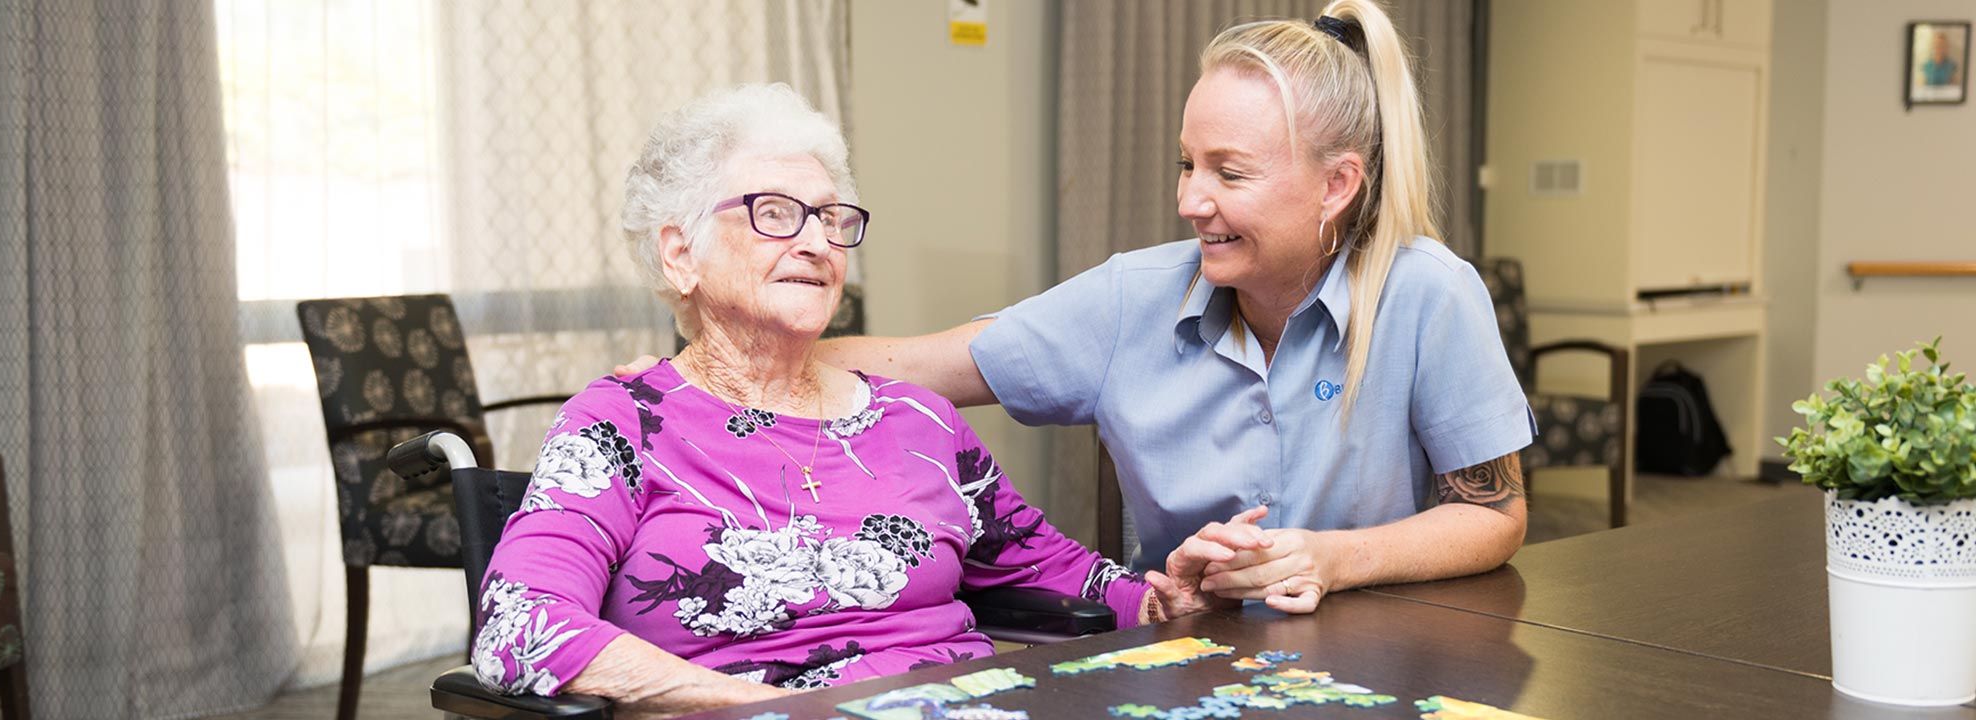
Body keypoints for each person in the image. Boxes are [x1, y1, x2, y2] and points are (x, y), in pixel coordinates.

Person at [626, 0, 1531, 617]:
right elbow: (928, 362)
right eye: (1187, 163)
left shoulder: (1430, 294)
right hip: (1193, 651)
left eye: (1230, 172)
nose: (1190, 199)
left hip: (1394, 649)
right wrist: (707, 372)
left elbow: (1495, 515)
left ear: (1337, 185)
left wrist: (1333, 560)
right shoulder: (1138, 294)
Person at [473, 83, 1212, 719]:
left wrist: (1161, 597)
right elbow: (521, 625)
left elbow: (1057, 572)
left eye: (831, 218)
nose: (817, 243)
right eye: (773, 212)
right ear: (680, 252)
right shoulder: (620, 424)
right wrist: (766, 709)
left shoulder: (919, 420)